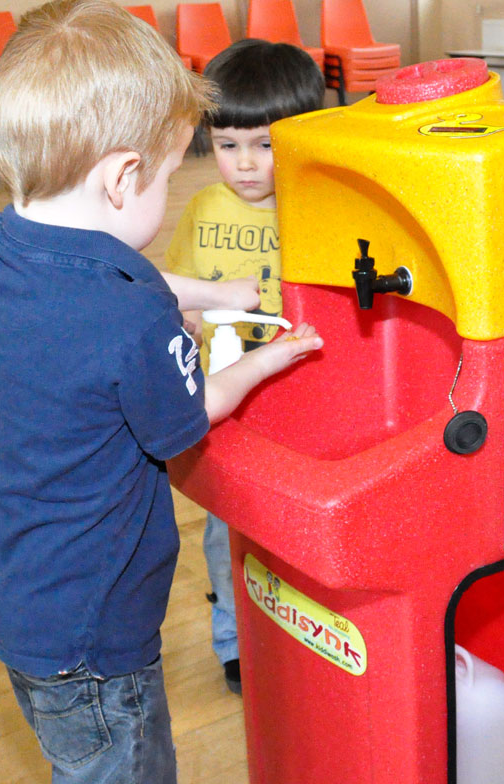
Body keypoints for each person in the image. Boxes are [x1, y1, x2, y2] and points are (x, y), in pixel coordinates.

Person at [0, 0, 323, 783]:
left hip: (20, 589)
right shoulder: (132, 317)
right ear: (123, 177)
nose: (168, 191)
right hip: (98, 634)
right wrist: (270, 358)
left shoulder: (3, 246)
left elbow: (120, 272)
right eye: (166, 175)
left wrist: (213, 293)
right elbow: (190, 417)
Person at [164, 37, 324, 695]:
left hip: (298, 401)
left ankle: (296, 627)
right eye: (229, 146)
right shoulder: (204, 210)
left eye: (264, 145)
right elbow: (176, 290)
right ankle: (233, 639)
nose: (247, 164)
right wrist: (188, 317)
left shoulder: (316, 211)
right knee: (225, 529)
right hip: (225, 403)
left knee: (294, 525)